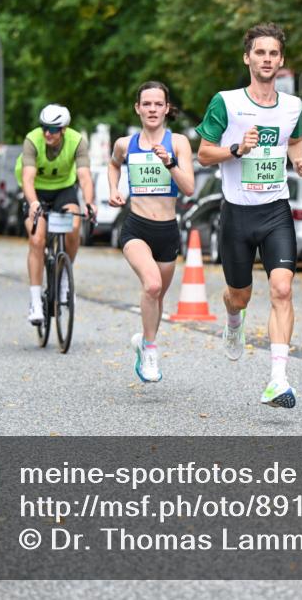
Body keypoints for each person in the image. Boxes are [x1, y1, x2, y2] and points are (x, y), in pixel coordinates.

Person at [196, 22, 302, 409]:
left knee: (282, 288)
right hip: (237, 214)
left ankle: (278, 380)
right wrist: (236, 149)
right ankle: (233, 321)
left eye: (274, 53)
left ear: (282, 61)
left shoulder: (293, 105)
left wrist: (300, 162)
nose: (267, 59)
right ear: (248, 58)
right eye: (260, 53)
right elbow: (204, 153)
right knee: (240, 296)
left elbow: (294, 141)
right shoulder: (226, 102)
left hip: (276, 210)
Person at [108, 82, 194, 382]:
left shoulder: (179, 142)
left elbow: (189, 188)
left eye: (159, 104)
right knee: (153, 286)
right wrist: (113, 189)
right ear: (138, 108)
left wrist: (169, 161)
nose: (153, 109)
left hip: (167, 230)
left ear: (167, 108)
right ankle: (151, 351)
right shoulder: (125, 143)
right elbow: (113, 164)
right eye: (147, 104)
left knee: (156, 299)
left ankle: (143, 342)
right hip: (136, 227)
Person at [14, 104, 96, 324]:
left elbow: (85, 177)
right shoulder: (33, 140)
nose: (47, 133)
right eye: (44, 128)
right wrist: (32, 203)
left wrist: (89, 203)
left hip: (63, 190)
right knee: (37, 239)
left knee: (75, 225)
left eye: (53, 129)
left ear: (64, 129)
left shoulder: (77, 141)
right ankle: (35, 302)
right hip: (37, 191)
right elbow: (28, 179)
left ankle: (63, 282)